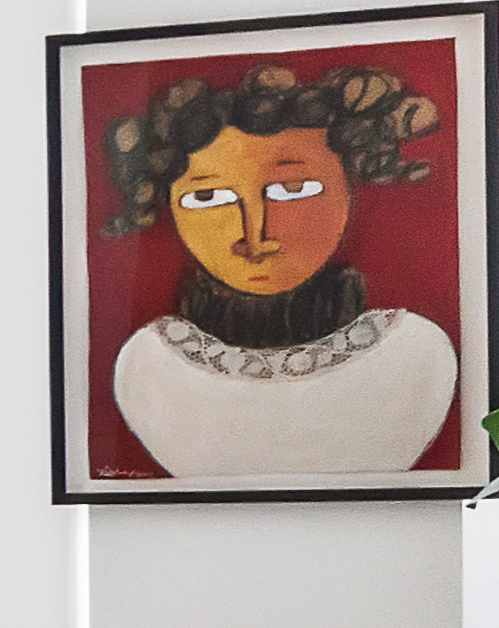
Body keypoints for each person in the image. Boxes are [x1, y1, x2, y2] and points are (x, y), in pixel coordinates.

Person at [98, 62, 457, 484]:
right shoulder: (148, 368)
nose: (255, 234)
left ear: (349, 191)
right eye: (209, 196)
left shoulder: (414, 358)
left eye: (293, 190)